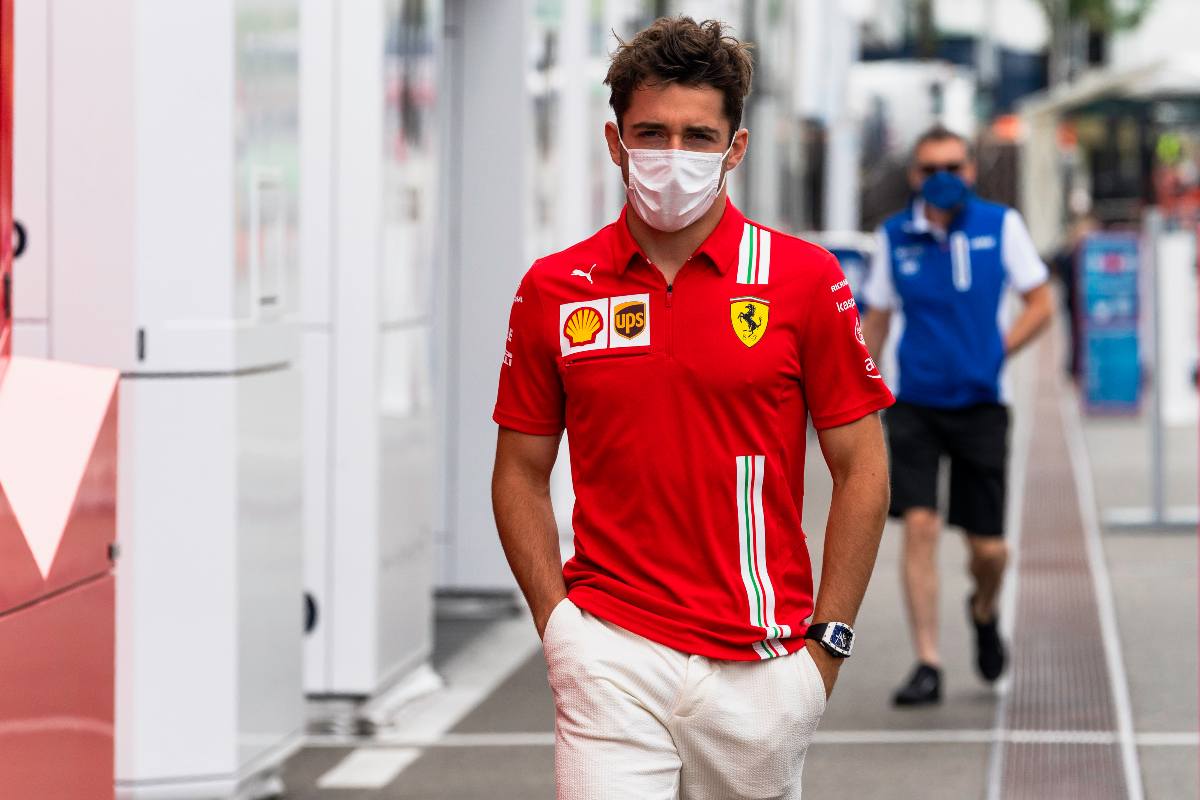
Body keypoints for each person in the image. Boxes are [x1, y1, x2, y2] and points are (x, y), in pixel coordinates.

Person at [491, 16, 894, 799]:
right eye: (651, 133)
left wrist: (826, 651)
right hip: (609, 650)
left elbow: (862, 464)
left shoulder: (804, 280)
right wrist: (559, 629)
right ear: (615, 143)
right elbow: (519, 471)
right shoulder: (554, 288)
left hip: (765, 667)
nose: (673, 157)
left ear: (733, 149)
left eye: (698, 136)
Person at [861, 125, 1054, 707]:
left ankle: (984, 607)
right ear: (914, 176)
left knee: (989, 550)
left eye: (952, 166)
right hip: (914, 402)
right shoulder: (895, 236)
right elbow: (877, 317)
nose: (941, 179)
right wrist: (854, 390)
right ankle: (928, 661)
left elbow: (1040, 302)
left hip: (982, 405)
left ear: (970, 170)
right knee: (918, 526)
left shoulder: (1001, 226)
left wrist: (1000, 349)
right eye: (928, 169)